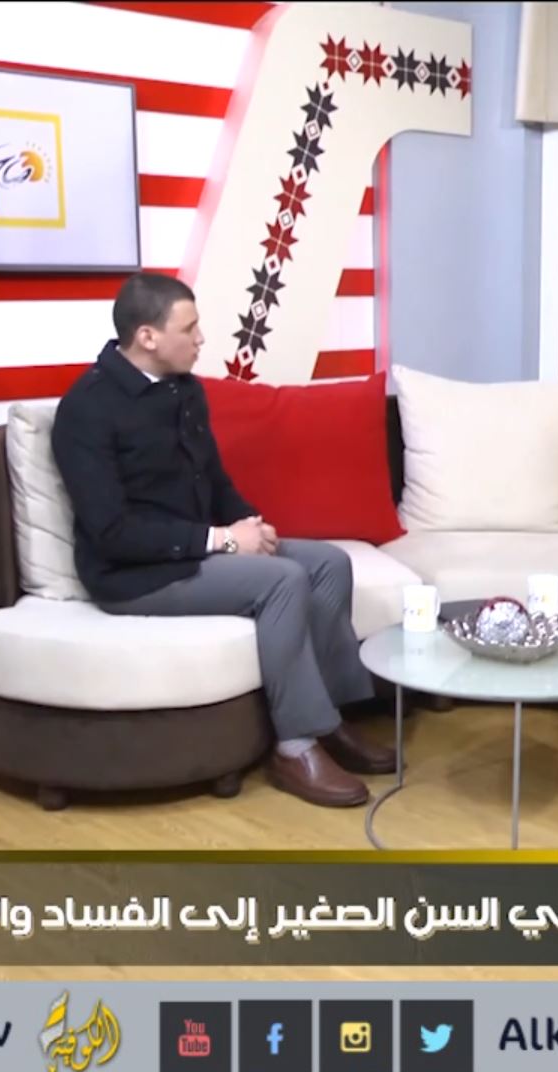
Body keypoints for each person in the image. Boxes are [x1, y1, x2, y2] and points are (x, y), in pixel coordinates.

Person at [51, 272, 394, 808]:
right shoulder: (86, 410)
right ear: (147, 336)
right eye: (189, 328)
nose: (202, 338)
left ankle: (331, 721)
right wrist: (223, 540)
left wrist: (250, 524)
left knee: (329, 563)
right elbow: (112, 533)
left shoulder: (184, 390)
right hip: (136, 575)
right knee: (282, 581)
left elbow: (211, 479)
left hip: (199, 551)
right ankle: (295, 747)